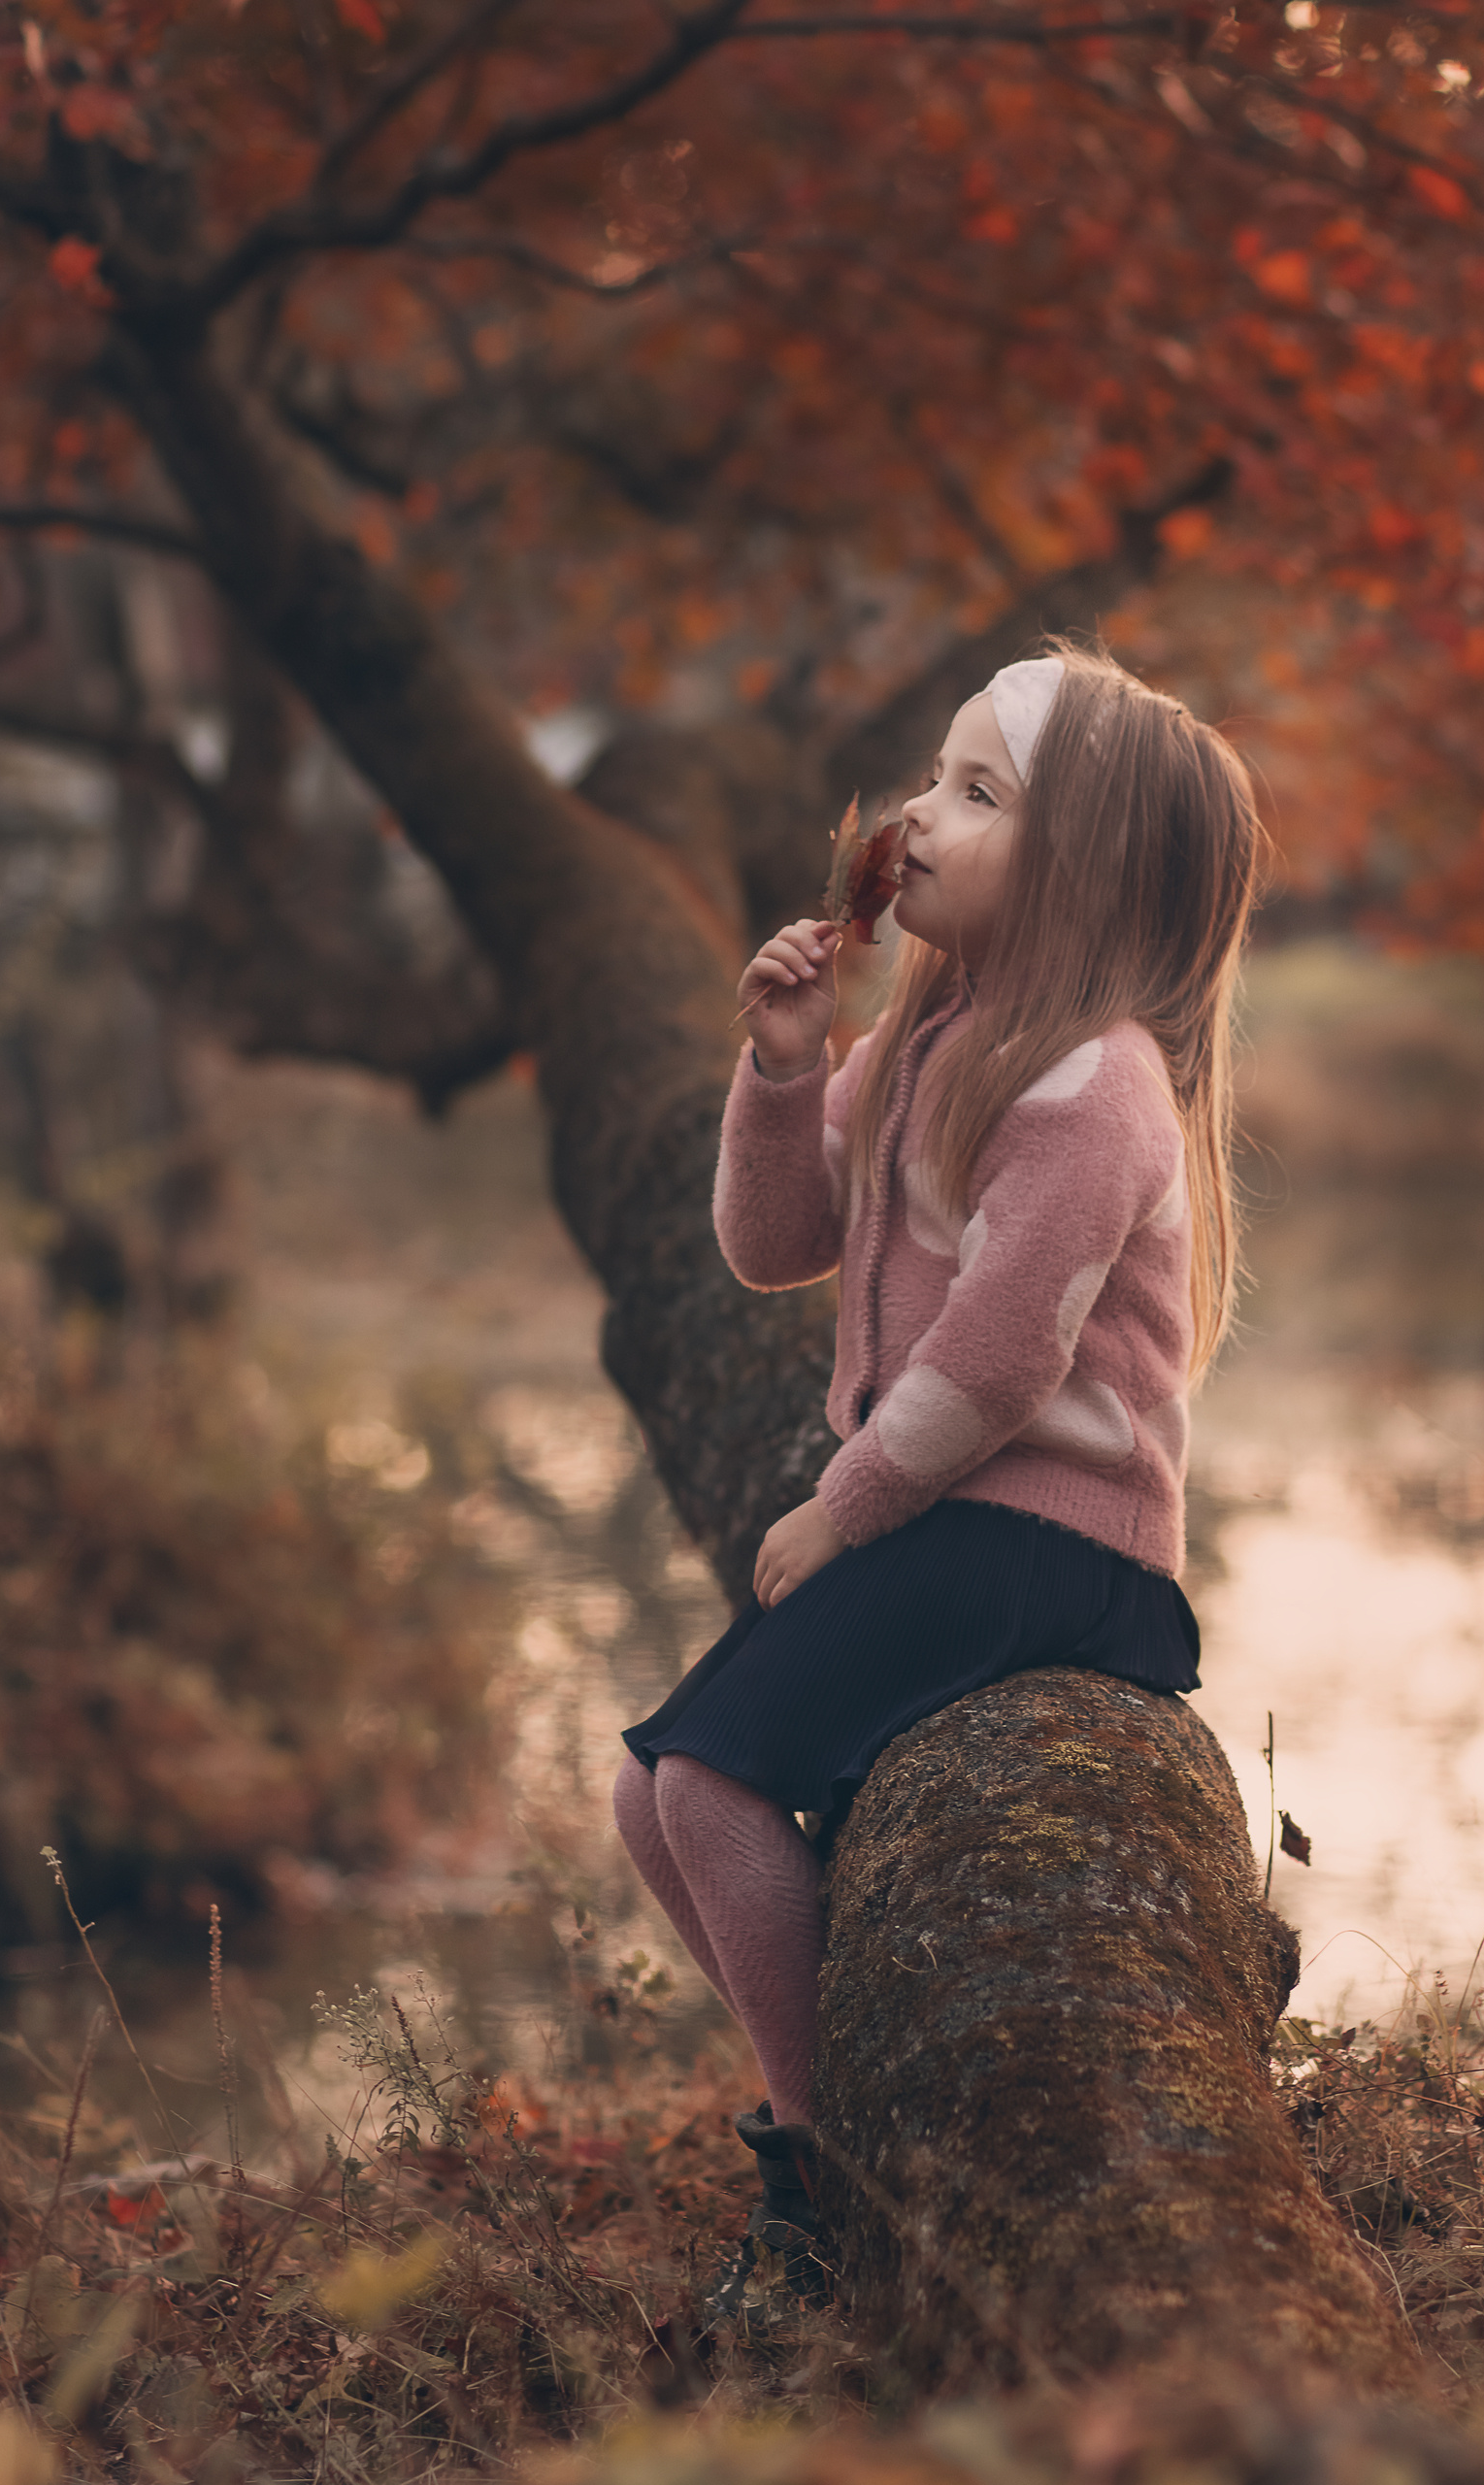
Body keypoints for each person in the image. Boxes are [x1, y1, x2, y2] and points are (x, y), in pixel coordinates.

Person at [611, 639, 1267, 2323]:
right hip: (958, 1512)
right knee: (648, 1795)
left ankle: (822, 2168)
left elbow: (999, 1362)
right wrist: (778, 1063)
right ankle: (871, 2067)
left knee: (710, 1786)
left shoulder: (1093, 1077)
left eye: (978, 793)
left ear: (1088, 872)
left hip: (1057, 1539)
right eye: (933, 775)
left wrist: (845, 1511)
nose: (917, 815)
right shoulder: (923, 1036)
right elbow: (771, 1247)